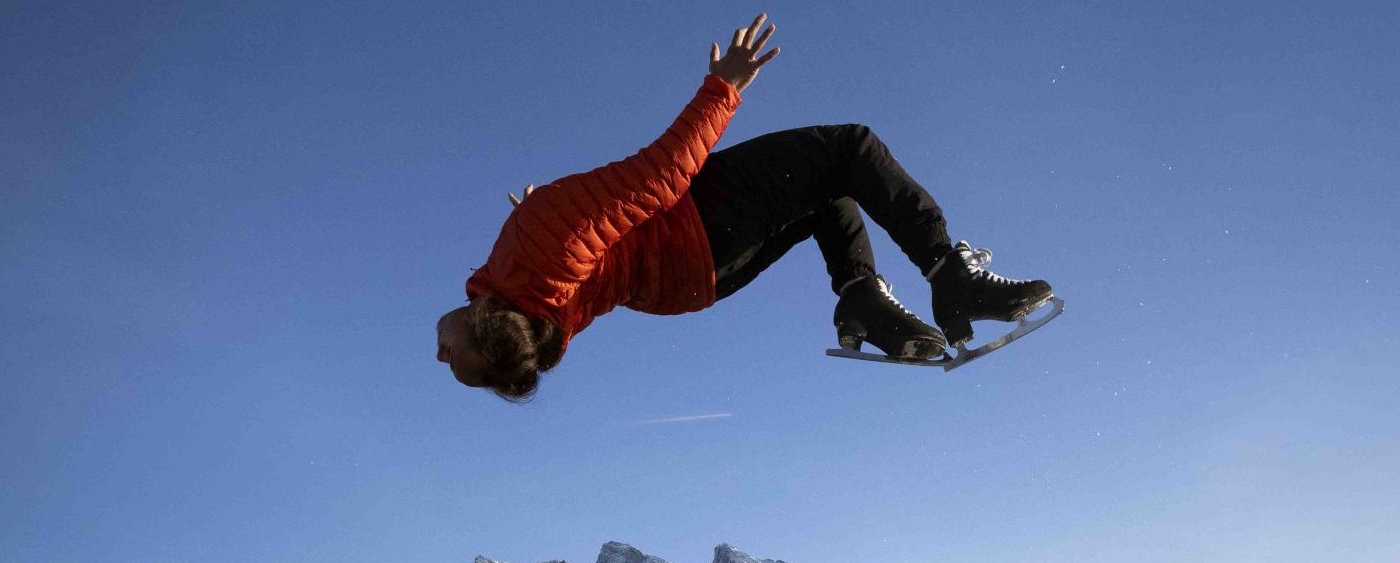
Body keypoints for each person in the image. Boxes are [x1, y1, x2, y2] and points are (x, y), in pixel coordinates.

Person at [436, 13, 1054, 399]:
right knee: (848, 147)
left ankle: (862, 295)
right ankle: (953, 278)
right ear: (484, 330)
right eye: (456, 358)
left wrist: (540, 220)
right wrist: (722, 89)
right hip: (698, 226)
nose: (439, 354)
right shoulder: (537, 250)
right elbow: (658, 178)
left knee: (820, 190)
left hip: (693, 286)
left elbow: (582, 261)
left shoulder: (529, 297)